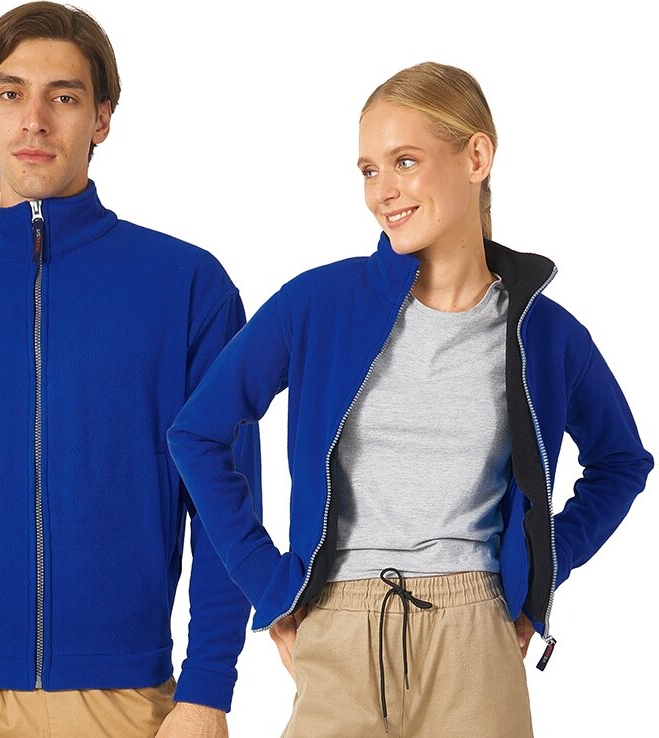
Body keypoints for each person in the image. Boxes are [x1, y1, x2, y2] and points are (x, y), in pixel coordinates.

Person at [167, 61, 653, 737]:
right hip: (338, 628)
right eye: (368, 170)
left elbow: (620, 462)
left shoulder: (544, 333)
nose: (382, 192)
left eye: (404, 162)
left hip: (476, 635)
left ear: (476, 157)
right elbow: (197, 432)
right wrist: (267, 584)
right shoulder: (318, 304)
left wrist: (538, 569)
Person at [0, 2, 259, 736]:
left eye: (63, 97)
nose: (34, 120)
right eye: (12, 94)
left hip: (125, 697)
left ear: (101, 118)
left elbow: (228, 506)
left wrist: (207, 689)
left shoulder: (187, 288)